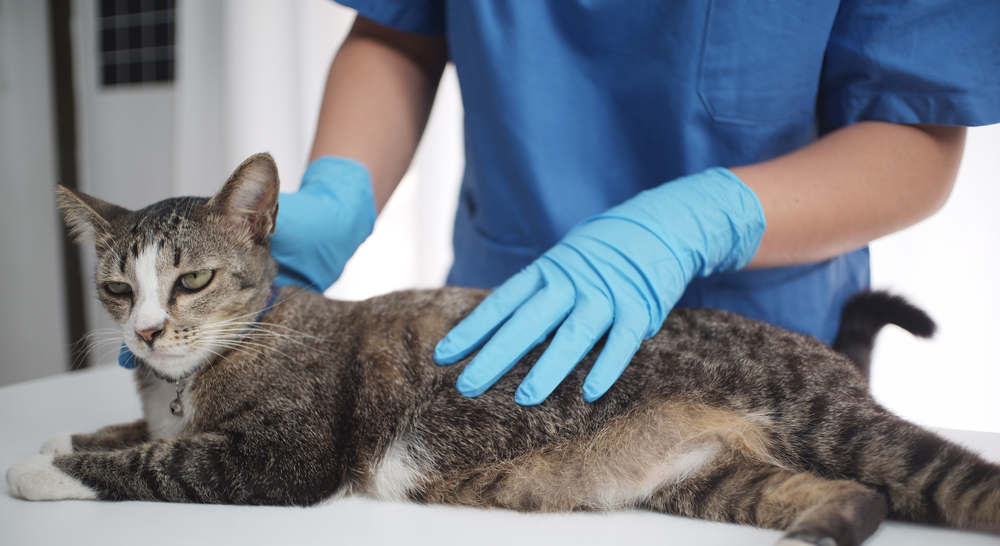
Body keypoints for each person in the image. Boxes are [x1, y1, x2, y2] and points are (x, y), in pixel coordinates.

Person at [270, 1, 999, 406]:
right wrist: (343, 189)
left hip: (756, 345)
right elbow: (400, 29)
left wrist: (710, 218)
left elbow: (918, 132)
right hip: (506, 319)